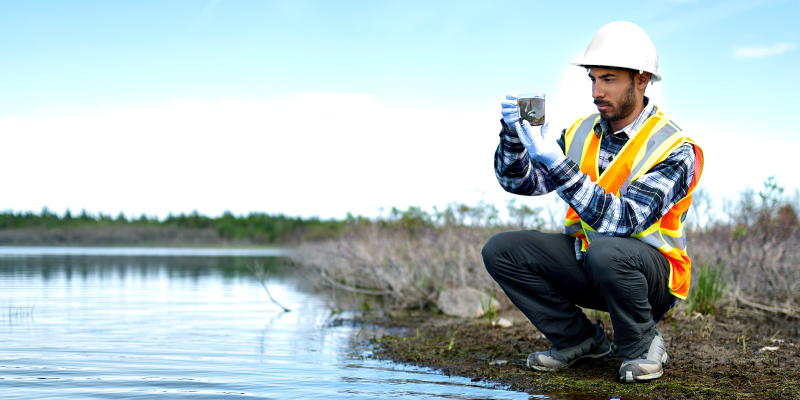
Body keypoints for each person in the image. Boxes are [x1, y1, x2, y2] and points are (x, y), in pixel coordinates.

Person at [481, 21, 704, 383]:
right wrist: (514, 138)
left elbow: (624, 221)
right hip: (591, 262)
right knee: (501, 250)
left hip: (650, 278)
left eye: (609, 79)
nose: (596, 91)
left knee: (609, 250)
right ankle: (579, 341)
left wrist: (556, 162)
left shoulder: (676, 149)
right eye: (593, 79)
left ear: (642, 79)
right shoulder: (582, 130)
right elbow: (519, 183)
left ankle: (642, 346)